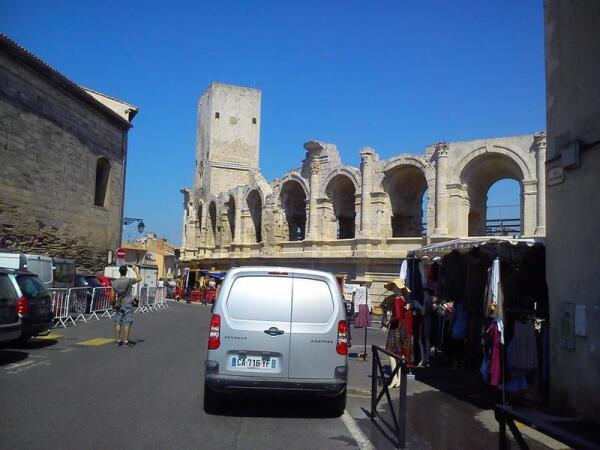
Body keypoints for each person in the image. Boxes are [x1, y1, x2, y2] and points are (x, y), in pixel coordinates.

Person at [383, 278, 413, 388]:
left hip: (396, 328)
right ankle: (399, 379)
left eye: (394, 286)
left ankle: (394, 378)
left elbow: (398, 316)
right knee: (400, 354)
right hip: (403, 327)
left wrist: (388, 321)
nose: (393, 288)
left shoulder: (396, 299)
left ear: (397, 287)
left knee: (391, 353)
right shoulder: (403, 299)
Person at [111, 264, 142, 347]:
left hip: (119, 303)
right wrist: (135, 270)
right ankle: (125, 340)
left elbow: (112, 295)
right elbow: (140, 278)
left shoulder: (114, 283)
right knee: (127, 322)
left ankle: (118, 340)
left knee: (118, 322)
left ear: (119, 272)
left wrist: (112, 304)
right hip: (128, 302)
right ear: (126, 272)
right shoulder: (129, 280)